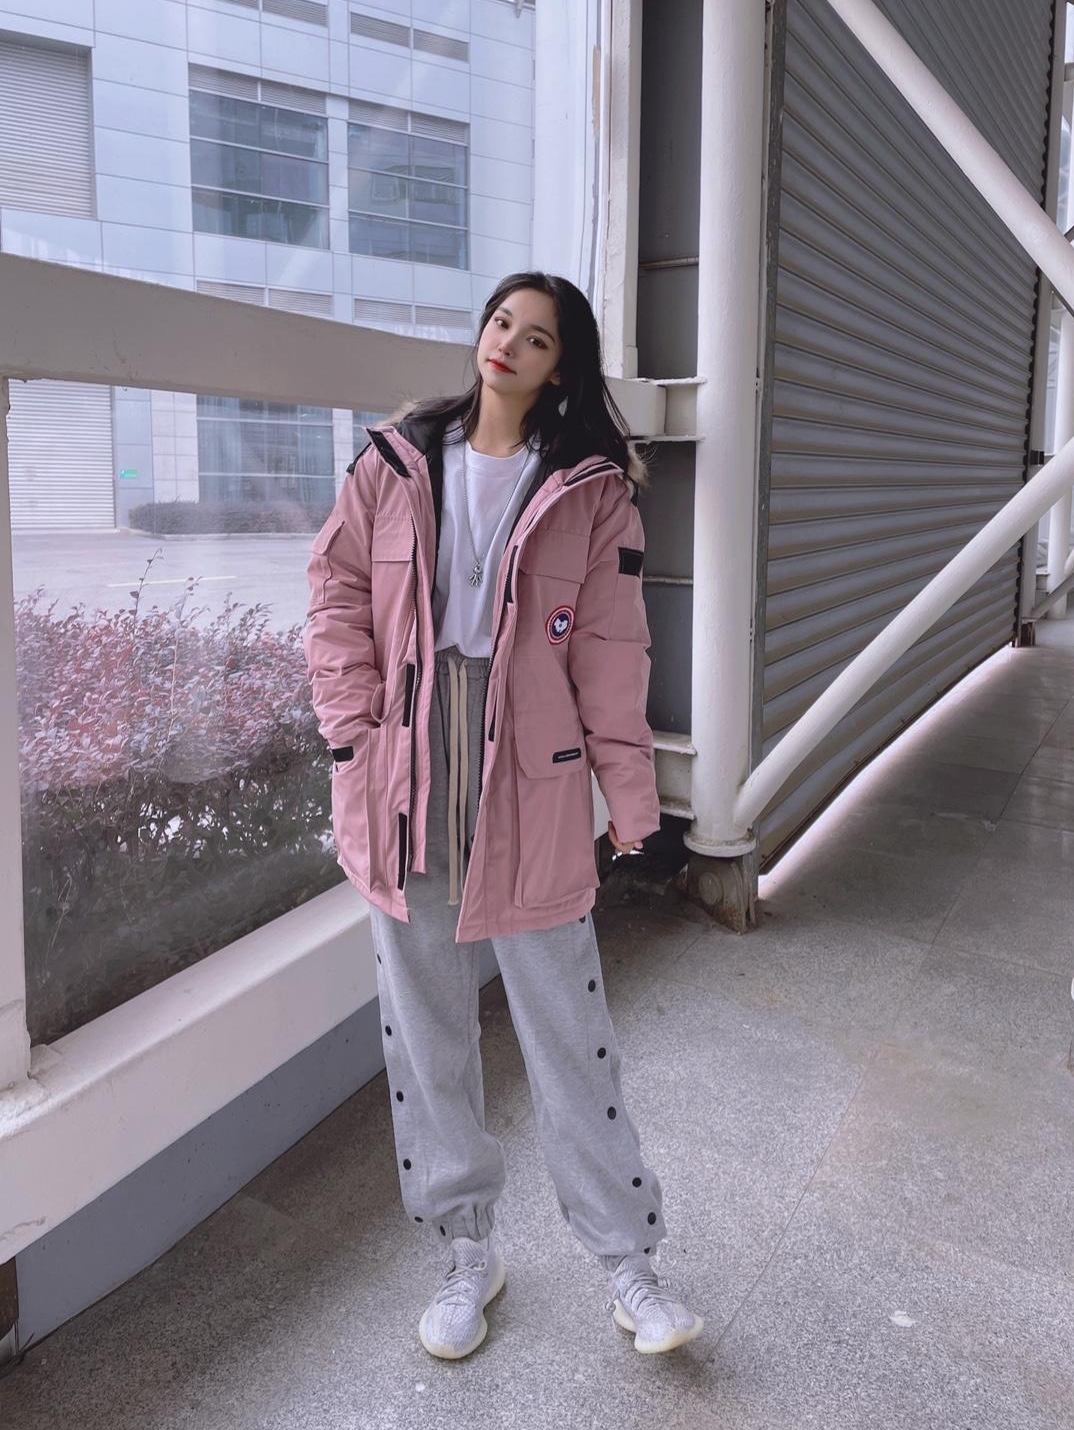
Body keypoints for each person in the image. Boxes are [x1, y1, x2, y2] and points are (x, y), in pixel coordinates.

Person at [302, 271, 703, 1360]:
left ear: (560, 368)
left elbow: (613, 655)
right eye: (499, 323)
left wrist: (633, 802)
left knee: (568, 1029)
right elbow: (335, 593)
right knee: (426, 1028)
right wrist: (353, 730)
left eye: (535, 338)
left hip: (532, 767)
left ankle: (629, 1264)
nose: (507, 345)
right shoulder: (394, 461)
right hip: (406, 764)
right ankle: (464, 1251)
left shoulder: (590, 492)